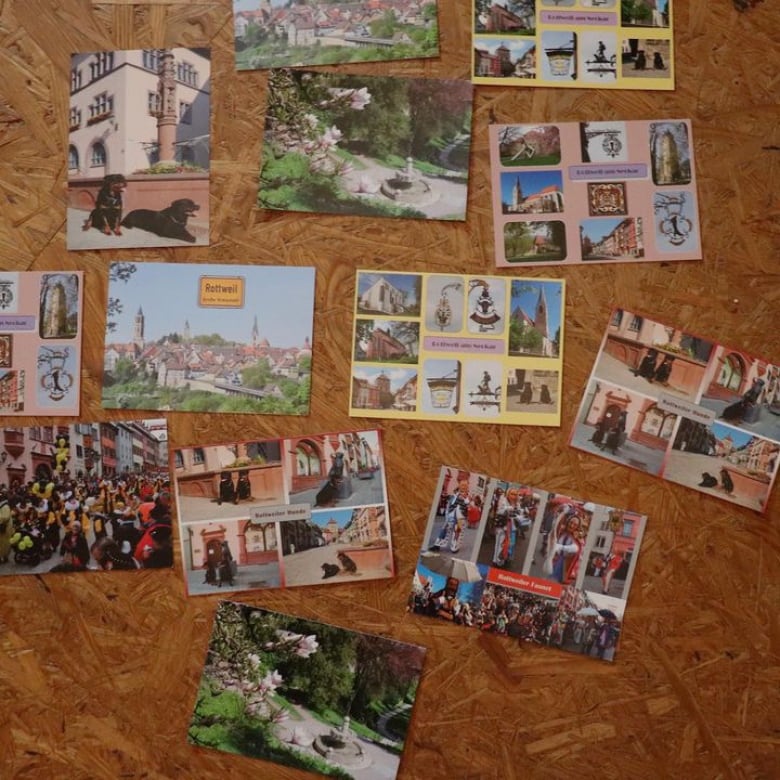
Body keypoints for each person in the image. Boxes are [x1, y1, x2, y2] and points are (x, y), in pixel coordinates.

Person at [430, 479, 470, 553]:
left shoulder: (468, 496)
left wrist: (465, 499)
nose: (463, 486)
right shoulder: (455, 494)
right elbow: (450, 503)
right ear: (459, 485)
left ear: (468, 486)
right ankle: (437, 545)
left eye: (465, 485)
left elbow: (468, 505)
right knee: (444, 529)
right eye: (462, 485)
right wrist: (447, 513)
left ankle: (455, 547)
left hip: (461, 517)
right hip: (451, 514)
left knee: (457, 531)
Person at [549, 511, 583, 585]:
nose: (572, 525)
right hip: (556, 560)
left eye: (575, 524)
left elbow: (576, 548)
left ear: (577, 527)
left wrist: (561, 547)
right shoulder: (562, 532)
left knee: (554, 581)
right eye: (571, 522)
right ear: (568, 522)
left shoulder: (576, 537)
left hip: (565, 563)